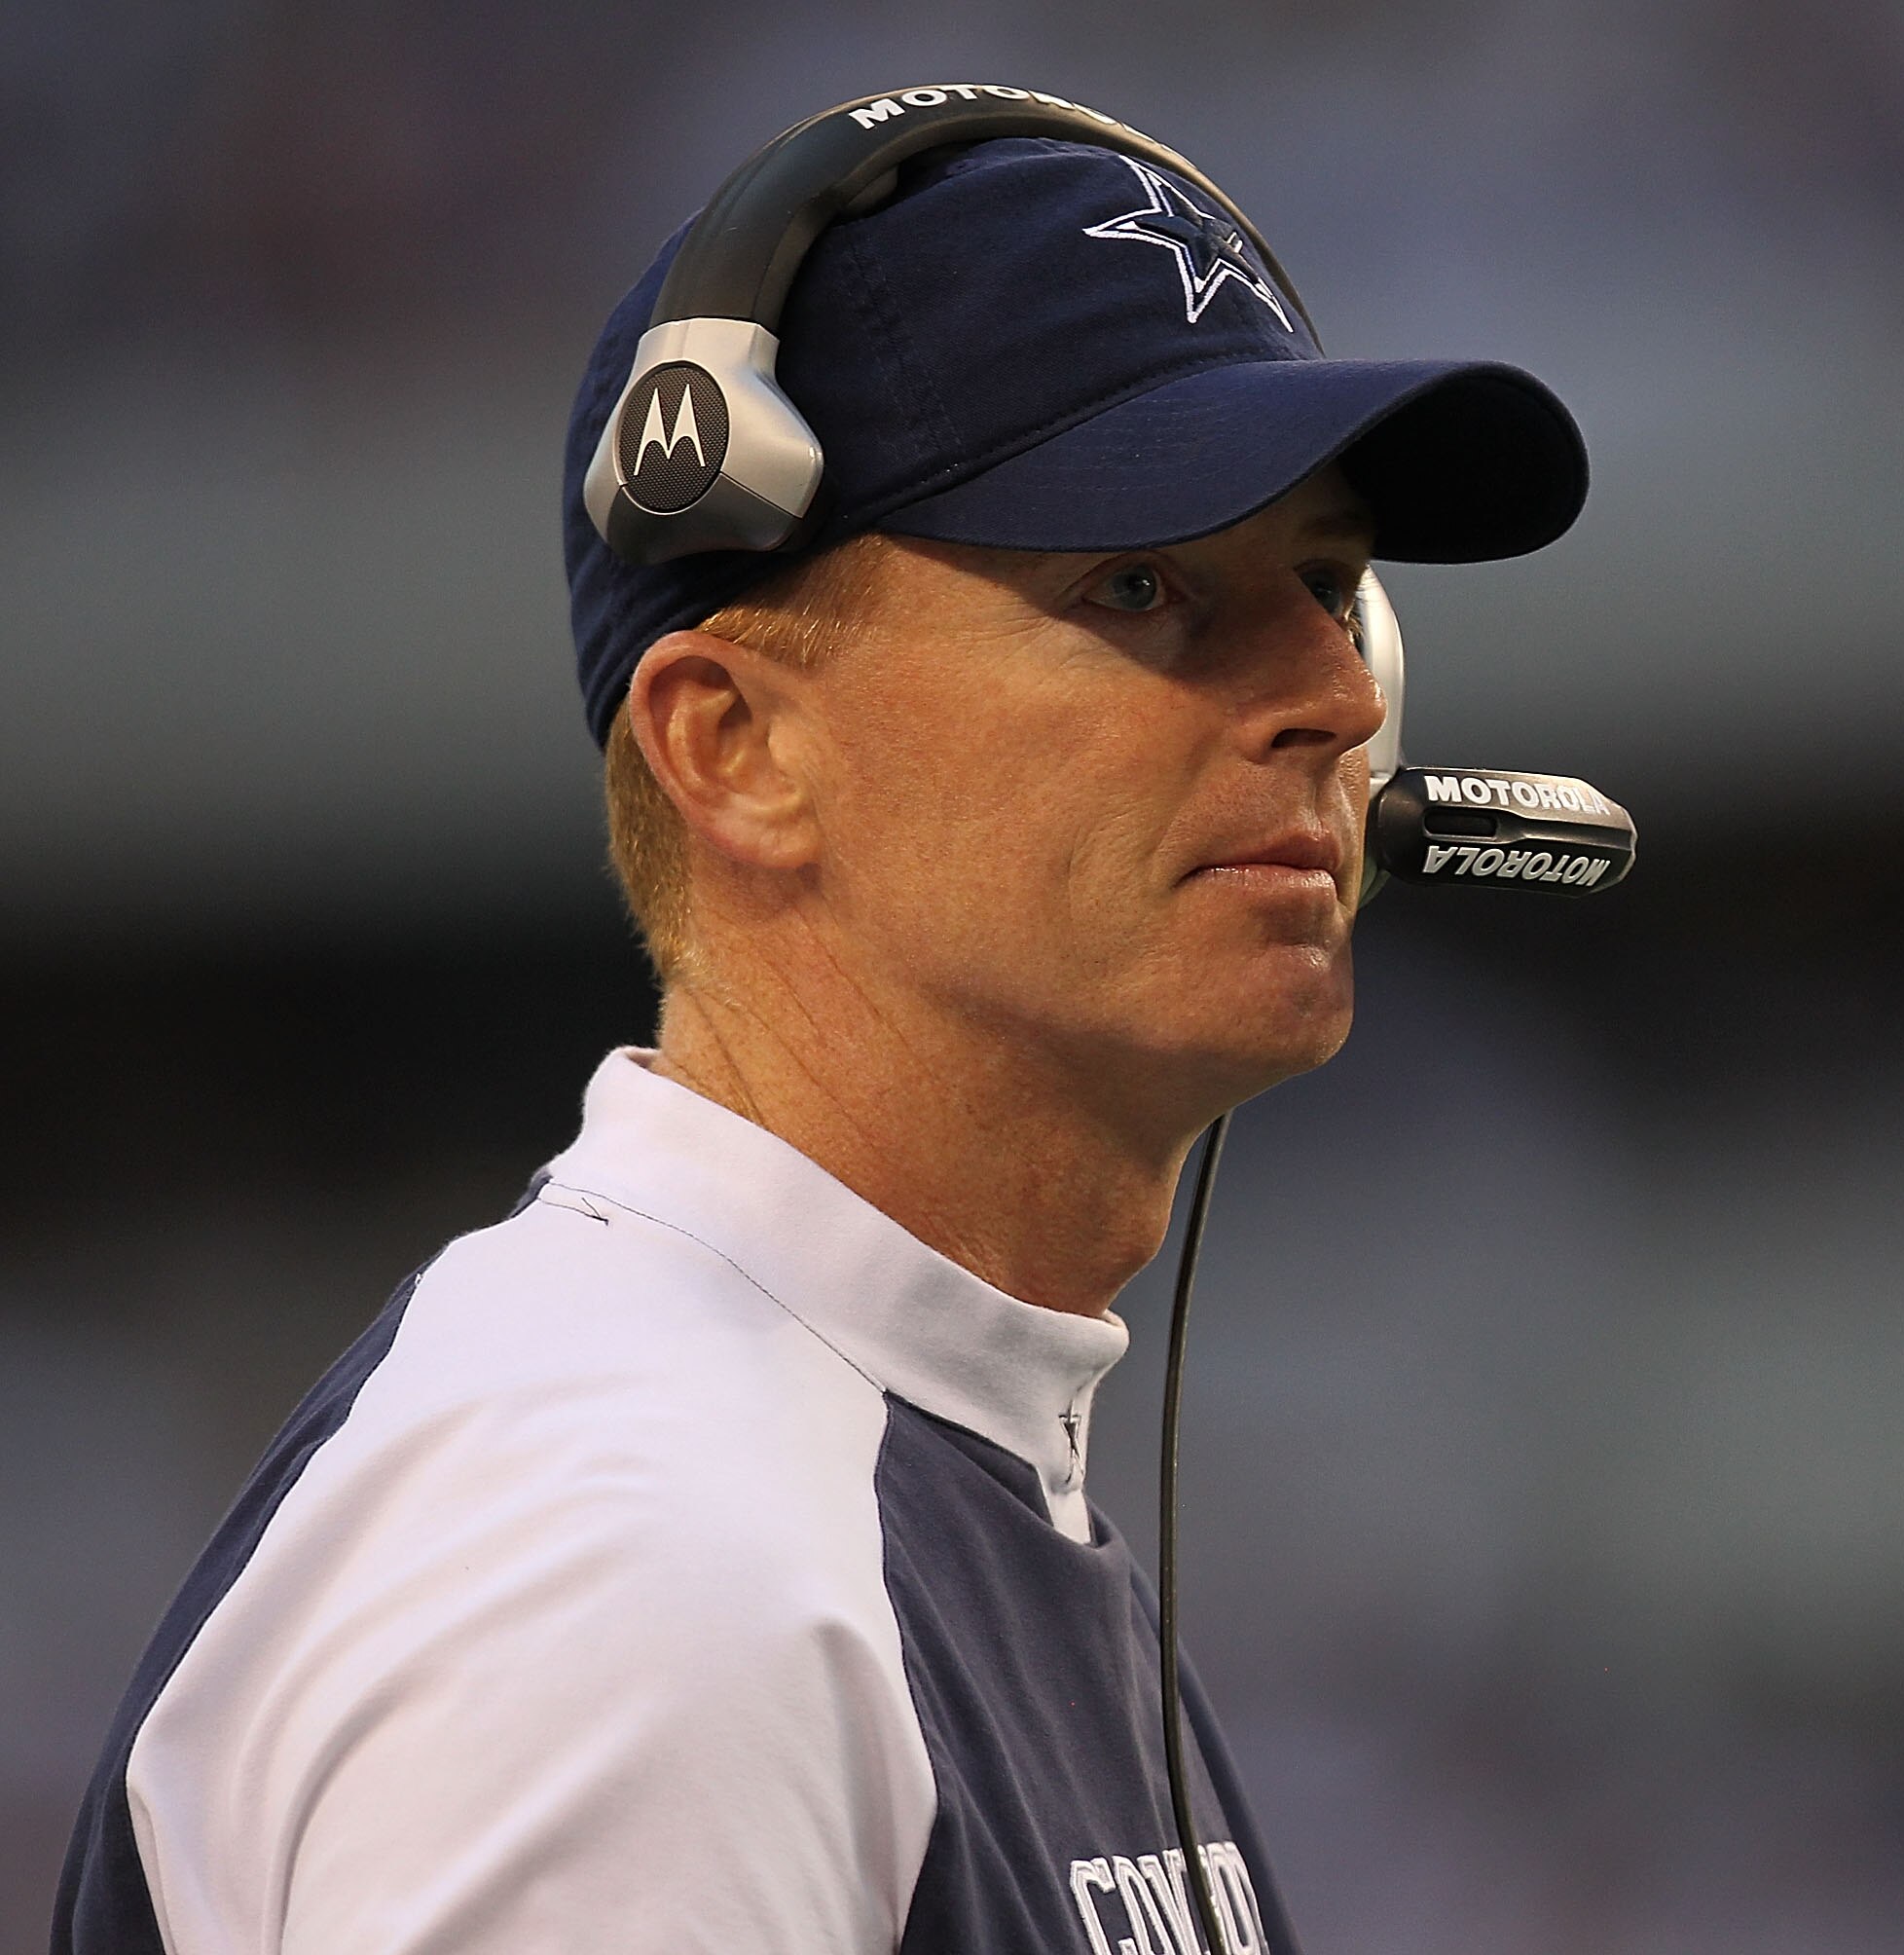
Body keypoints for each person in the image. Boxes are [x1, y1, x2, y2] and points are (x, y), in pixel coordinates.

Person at [55, 105, 1586, 1955]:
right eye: (1141, 584)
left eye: (1333, 589)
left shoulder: (896, 1470)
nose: (1339, 699)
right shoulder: (638, 1581)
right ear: (737, 748)